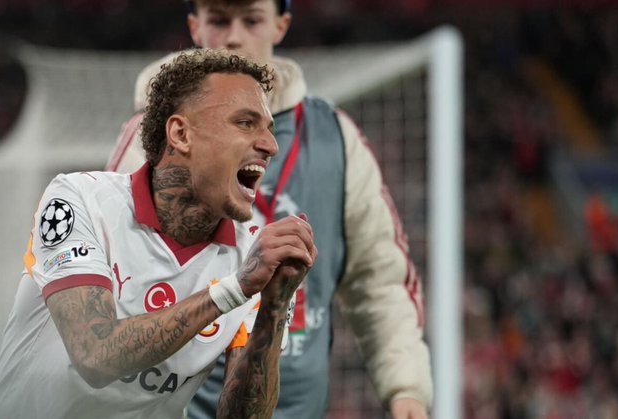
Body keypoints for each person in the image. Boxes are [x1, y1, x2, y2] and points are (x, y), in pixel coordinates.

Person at [106, 1, 432, 418]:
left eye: (252, 20)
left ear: (281, 25)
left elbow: (380, 280)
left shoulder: (335, 138)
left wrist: (406, 388)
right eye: (219, 20)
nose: (234, 37)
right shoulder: (155, 137)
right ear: (195, 27)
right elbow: (118, 272)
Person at [0, 48, 318, 419]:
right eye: (245, 123)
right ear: (181, 134)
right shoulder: (79, 200)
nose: (270, 145)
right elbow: (95, 356)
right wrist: (235, 290)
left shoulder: (252, 254)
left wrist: (273, 308)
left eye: (269, 129)